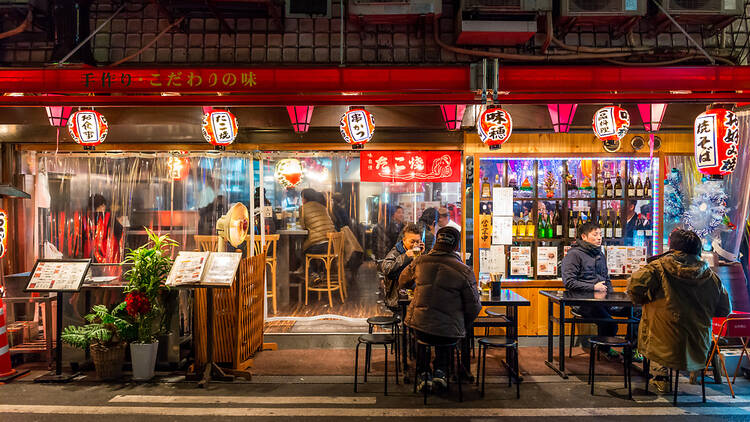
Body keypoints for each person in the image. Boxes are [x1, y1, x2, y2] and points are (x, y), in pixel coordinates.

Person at [627, 229, 731, 393]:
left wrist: (646, 299)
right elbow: (724, 309)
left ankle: (660, 376)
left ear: (672, 248)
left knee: (657, 324)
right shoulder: (711, 277)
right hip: (697, 345)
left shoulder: (657, 268)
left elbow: (634, 288)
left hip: (663, 344)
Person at [398, 227, 481, 394]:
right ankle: (440, 372)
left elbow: (402, 281)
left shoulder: (419, 262)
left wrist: (420, 286)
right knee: (445, 329)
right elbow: (474, 306)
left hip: (420, 328)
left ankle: (423, 374)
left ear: (436, 242)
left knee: (423, 329)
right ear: (456, 246)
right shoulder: (464, 270)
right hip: (448, 332)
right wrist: (464, 324)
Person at [561, 221, 626, 360]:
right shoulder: (574, 254)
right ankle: (604, 350)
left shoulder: (600, 254)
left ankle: (632, 350)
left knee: (637, 312)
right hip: (583, 302)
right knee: (610, 324)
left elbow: (606, 279)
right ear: (584, 236)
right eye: (595, 234)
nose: (599, 238)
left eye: (600, 234)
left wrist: (612, 297)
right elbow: (569, 282)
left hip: (604, 300)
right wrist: (593, 287)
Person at [380, 223, 424, 312]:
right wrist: (405, 257)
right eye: (412, 242)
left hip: (415, 294)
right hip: (398, 297)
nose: (415, 245)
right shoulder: (396, 252)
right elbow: (386, 269)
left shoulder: (419, 251)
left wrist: (423, 256)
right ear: (404, 240)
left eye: (418, 241)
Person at [299, 188, 336, 283]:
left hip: (319, 246)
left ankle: (312, 274)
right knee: (309, 249)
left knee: (301, 252)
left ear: (305, 198)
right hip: (332, 245)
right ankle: (318, 274)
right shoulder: (323, 207)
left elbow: (303, 226)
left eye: (302, 197)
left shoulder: (303, 208)